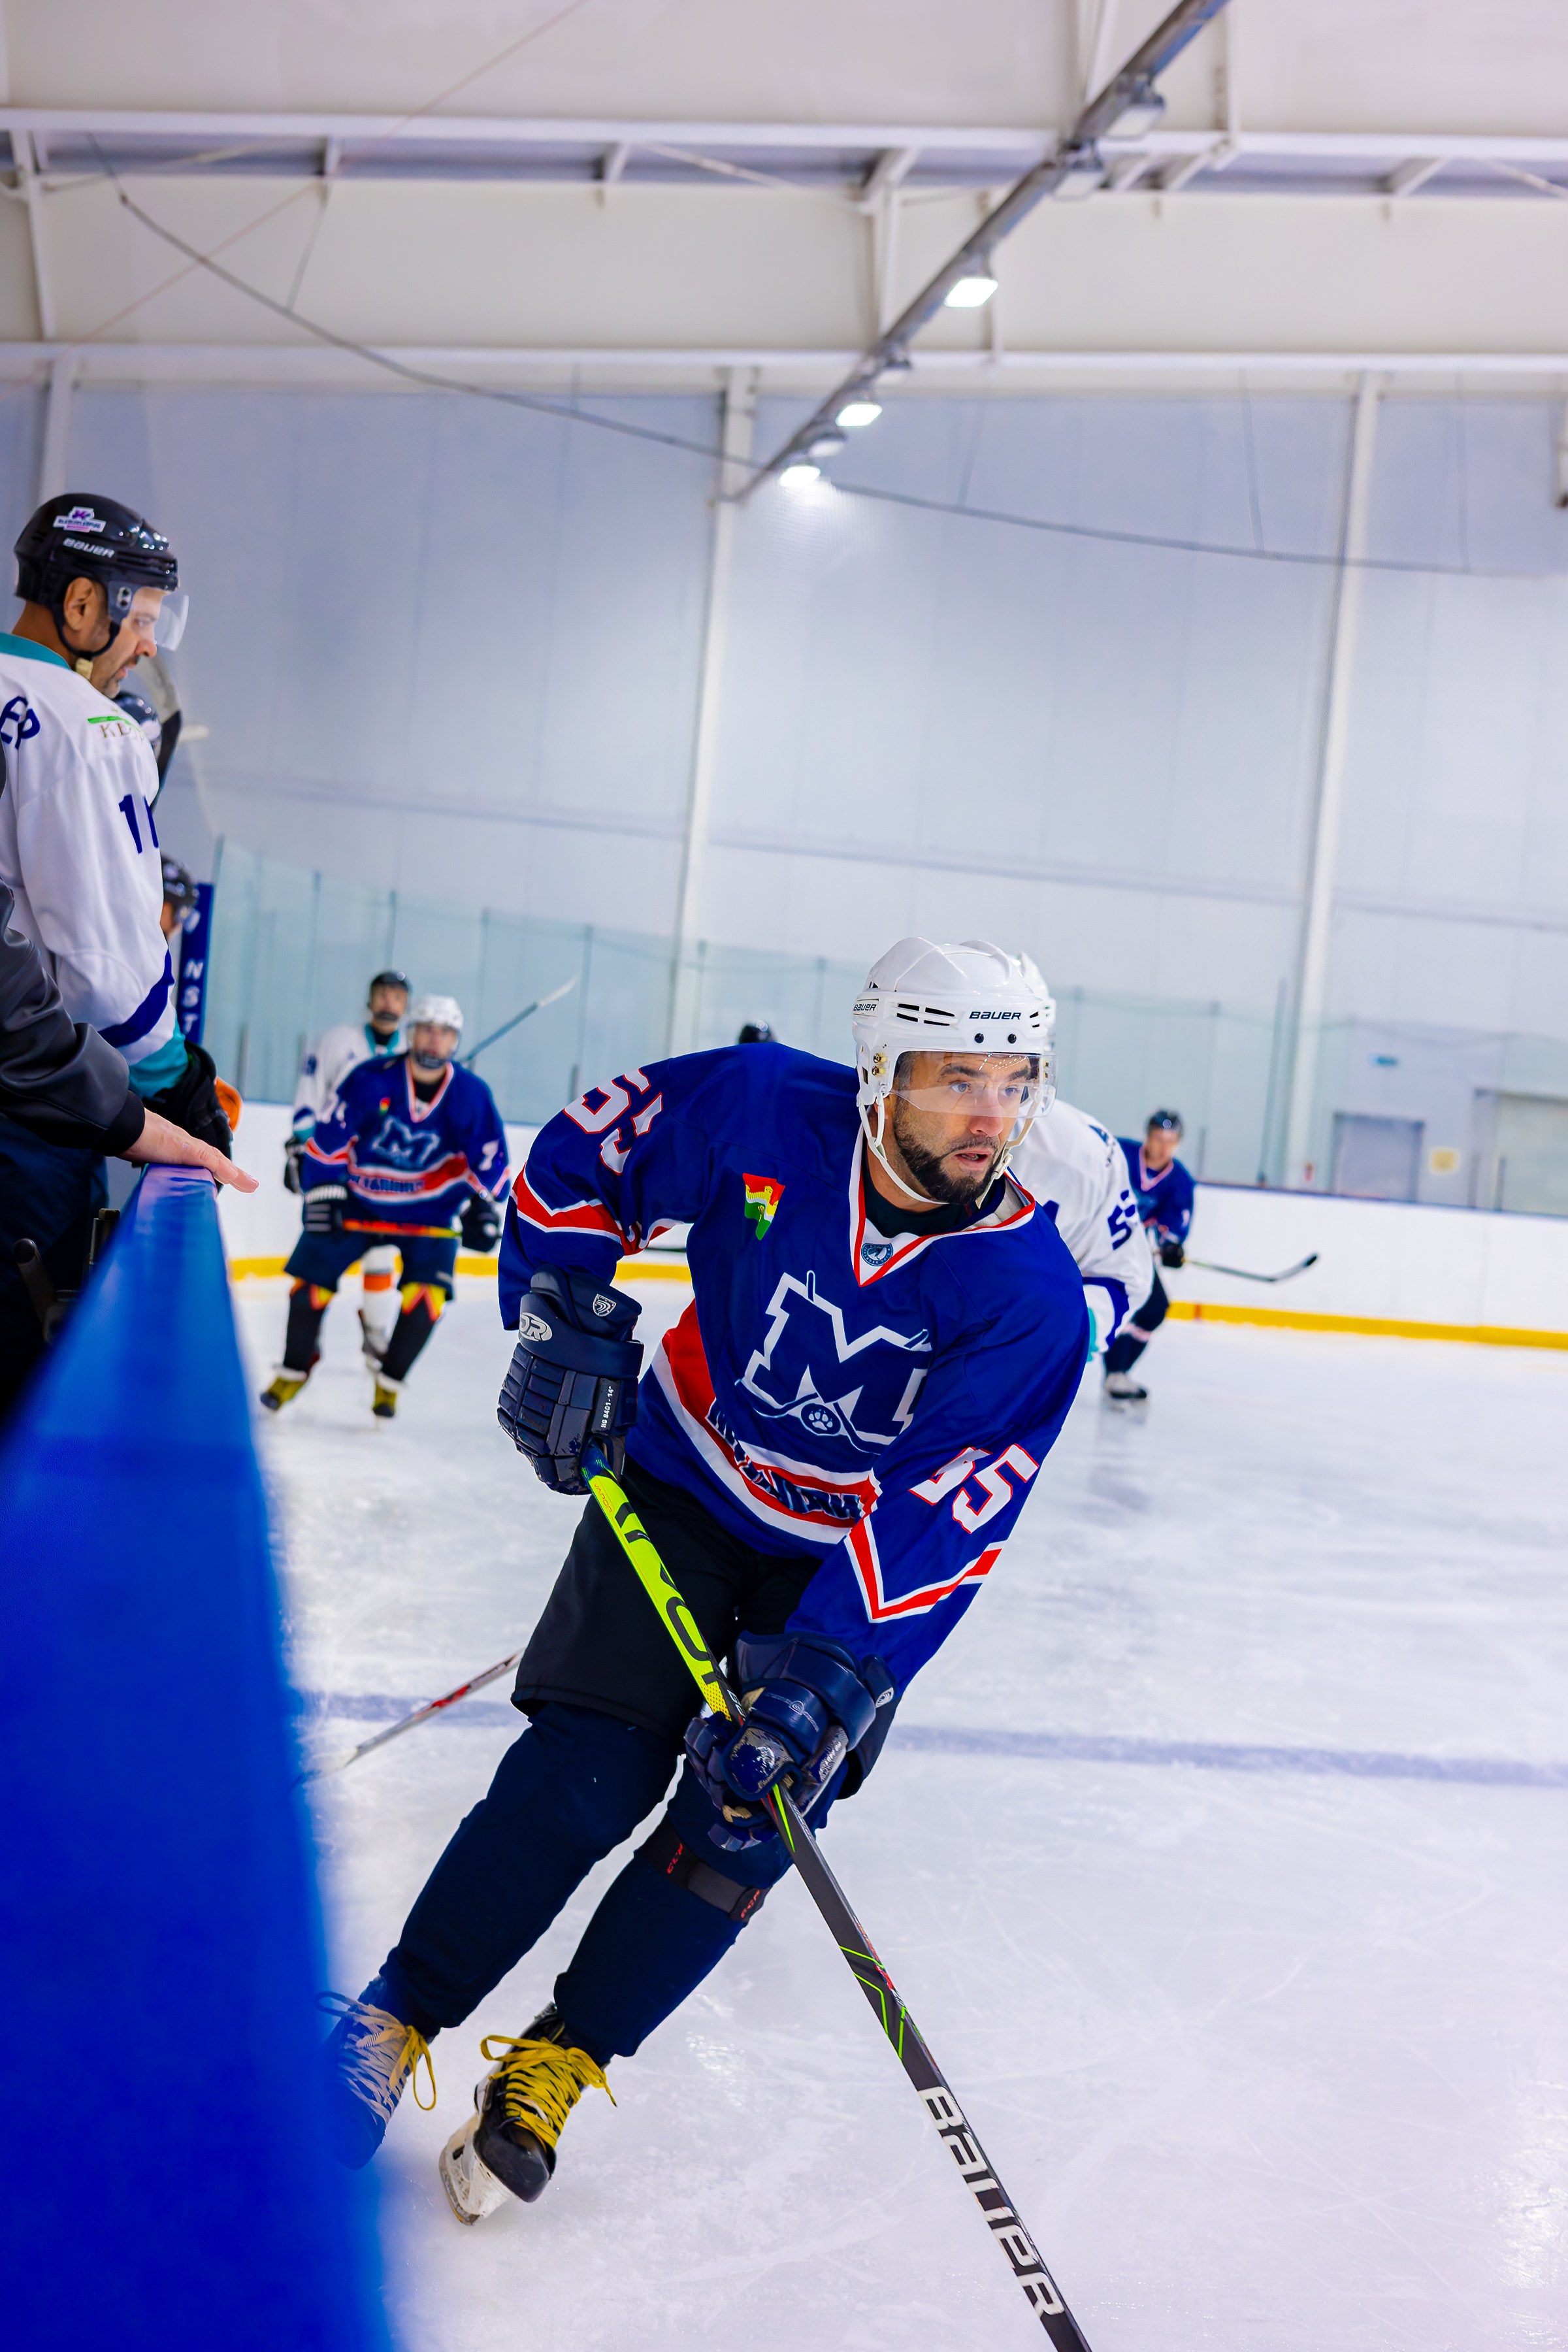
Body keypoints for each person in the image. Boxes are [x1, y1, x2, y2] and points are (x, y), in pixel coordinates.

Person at [315, 936, 1089, 2227]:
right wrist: (563, 1309)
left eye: (1015, 1083)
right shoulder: (757, 1108)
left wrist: (824, 1683)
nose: (990, 1115)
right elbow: (582, 1162)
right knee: (581, 1778)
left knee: (739, 1828)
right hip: (683, 1486)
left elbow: (940, 1520)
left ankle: (561, 2060)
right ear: (882, 1071)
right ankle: (392, 2018)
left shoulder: (1031, 1298)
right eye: (957, 1078)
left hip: (838, 1569)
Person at [0, 491, 233, 1408]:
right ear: (83, 603)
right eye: (143, 620)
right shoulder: (86, 727)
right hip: (28, 1114)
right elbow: (106, 965)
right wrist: (175, 1079)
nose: (147, 646)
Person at [0, 878, 255, 1412]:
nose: (167, 920)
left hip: (59, 1103)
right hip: (38, 1111)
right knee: (24, 1326)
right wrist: (169, 1081)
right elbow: (97, 981)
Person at [262, 993, 508, 1422]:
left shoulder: (471, 1095)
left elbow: (491, 1164)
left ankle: (390, 1381)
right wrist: (323, 1189)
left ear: (455, 1041)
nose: (434, 1039)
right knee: (308, 1289)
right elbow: (329, 1140)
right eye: (427, 1029)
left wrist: (485, 1205)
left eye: (445, 1032)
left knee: (427, 1300)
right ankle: (294, 1370)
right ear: (411, 1033)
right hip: (360, 1204)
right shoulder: (370, 1078)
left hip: (430, 1213)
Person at [286, 970, 410, 1364]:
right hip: (334, 1167)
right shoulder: (338, 1041)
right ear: (370, 1000)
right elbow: (309, 1097)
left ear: (406, 1006)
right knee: (322, 1249)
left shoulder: (413, 1053)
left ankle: (375, 1332)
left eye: (397, 996)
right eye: (383, 994)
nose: (389, 1002)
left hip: (381, 1174)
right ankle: (307, 1340)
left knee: (381, 1253)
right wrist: (302, 1149)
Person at [1102, 1109, 1195, 1404]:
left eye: (1171, 1141)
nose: (1163, 1147)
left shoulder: (1180, 1181)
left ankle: (1118, 1373)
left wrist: (1171, 1248)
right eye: (1158, 1138)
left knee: (1155, 1307)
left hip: (1132, 1251)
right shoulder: (1120, 1154)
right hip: (1094, 1241)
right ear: (1148, 1137)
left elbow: (1174, 1227)